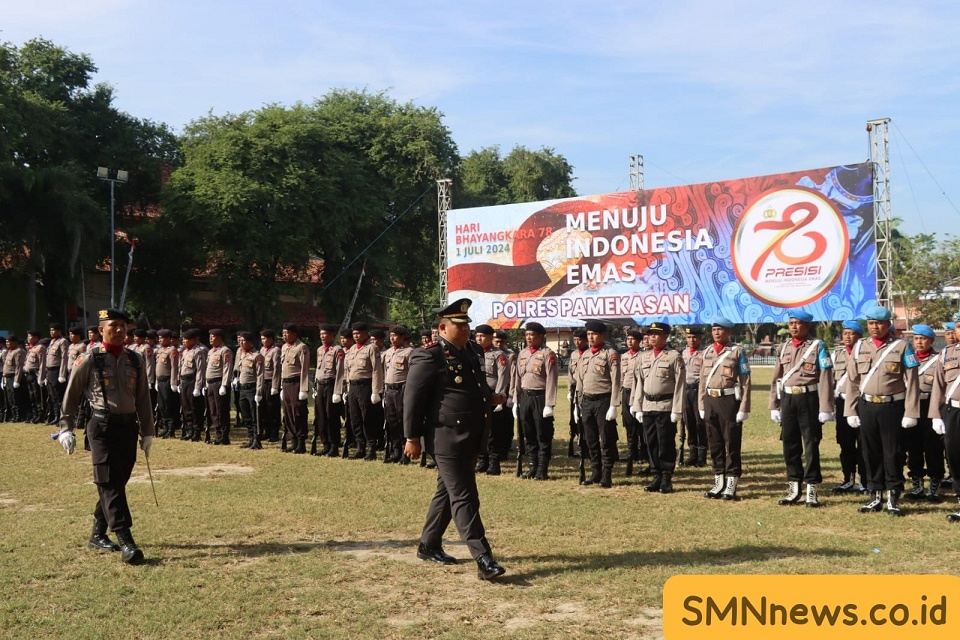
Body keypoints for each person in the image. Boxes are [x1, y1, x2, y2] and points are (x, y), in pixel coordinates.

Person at [403, 298, 505, 580]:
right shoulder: (430, 355)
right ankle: (483, 558)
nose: (465, 331)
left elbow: (474, 386)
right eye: (459, 327)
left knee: (447, 492)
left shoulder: (471, 349)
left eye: (467, 325)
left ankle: (429, 544)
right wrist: (412, 437)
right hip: (445, 437)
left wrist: (489, 397)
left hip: (471, 433)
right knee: (465, 496)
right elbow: (413, 400)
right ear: (443, 327)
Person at [56, 308, 155, 565]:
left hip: (127, 428)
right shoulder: (89, 359)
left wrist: (147, 432)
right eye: (114, 325)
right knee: (109, 481)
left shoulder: (135, 359)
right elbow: (72, 395)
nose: (120, 330)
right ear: (102, 330)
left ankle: (97, 534)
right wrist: (66, 428)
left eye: (123, 325)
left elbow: (143, 398)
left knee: (116, 481)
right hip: (102, 427)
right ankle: (126, 540)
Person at [844, 305, 920, 516]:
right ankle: (875, 494)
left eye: (879, 323)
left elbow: (913, 381)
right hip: (867, 406)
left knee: (893, 452)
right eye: (870, 323)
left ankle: (893, 495)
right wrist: (850, 410)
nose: (875, 327)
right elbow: (852, 381)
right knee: (870, 451)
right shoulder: (860, 346)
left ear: (888, 324)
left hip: (892, 406)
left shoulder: (902, 346)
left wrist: (911, 412)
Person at [768, 310, 835, 507]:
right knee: (789, 443)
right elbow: (776, 378)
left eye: (798, 323)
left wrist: (825, 407)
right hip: (788, 398)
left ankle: (811, 489)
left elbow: (826, 378)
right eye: (791, 323)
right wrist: (774, 405)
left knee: (811, 444)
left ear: (807, 326)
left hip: (809, 398)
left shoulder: (817, 346)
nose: (794, 327)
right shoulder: (783, 347)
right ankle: (794, 488)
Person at [699, 317, 751, 500]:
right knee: (715, 443)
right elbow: (702, 381)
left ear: (729, 331)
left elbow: (745, 381)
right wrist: (701, 404)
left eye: (721, 329)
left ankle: (731, 482)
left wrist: (744, 407)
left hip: (728, 400)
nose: (717, 332)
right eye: (714, 329)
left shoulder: (737, 352)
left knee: (732, 443)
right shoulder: (706, 352)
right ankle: (718, 480)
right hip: (710, 401)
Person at [631, 321, 685, 493]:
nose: (651, 337)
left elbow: (680, 385)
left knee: (665, 443)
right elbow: (639, 382)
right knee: (651, 442)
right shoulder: (643, 357)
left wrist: (677, 410)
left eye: (656, 334)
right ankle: (656, 475)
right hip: (647, 406)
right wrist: (637, 406)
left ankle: (667, 477)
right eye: (650, 334)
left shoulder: (673, 356)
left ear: (665, 336)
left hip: (665, 406)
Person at [575, 320, 622, 488]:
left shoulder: (610, 354)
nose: (591, 337)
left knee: (606, 438)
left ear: (602, 335)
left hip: (604, 400)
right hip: (587, 401)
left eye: (594, 334)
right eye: (588, 334)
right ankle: (595, 472)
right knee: (590, 439)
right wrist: (578, 403)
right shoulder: (585, 354)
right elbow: (580, 380)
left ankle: (607, 474)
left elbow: (616, 380)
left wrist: (614, 405)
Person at [511, 322, 558, 479]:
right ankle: (532, 466)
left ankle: (542, 469)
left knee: (542, 434)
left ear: (540, 336)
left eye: (532, 335)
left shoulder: (548, 354)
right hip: (525, 397)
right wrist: (516, 400)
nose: (529, 337)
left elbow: (552, 380)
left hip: (540, 398)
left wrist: (549, 404)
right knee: (528, 433)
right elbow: (517, 378)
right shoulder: (522, 354)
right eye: (527, 334)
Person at [904, 324, 944, 501]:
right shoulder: (907, 358)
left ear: (932, 341)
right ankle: (917, 484)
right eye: (916, 338)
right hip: (911, 405)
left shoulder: (939, 359)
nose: (919, 342)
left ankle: (934, 485)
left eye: (923, 338)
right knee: (913, 446)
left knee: (933, 446)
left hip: (930, 404)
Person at [831, 321, 867, 494]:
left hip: (861, 403)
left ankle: (865, 481)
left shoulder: (866, 353)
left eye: (851, 333)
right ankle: (848, 479)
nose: (847, 336)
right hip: (842, 402)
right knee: (845, 443)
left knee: (864, 444)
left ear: (859, 336)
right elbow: (830, 380)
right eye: (845, 333)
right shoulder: (836, 355)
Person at [930, 321, 960, 521]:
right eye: (959, 326)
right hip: (954, 411)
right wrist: (935, 415)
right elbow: (938, 387)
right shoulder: (946, 354)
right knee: (956, 457)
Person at [343, 322, 384, 461]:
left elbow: (377, 369)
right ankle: (360, 447)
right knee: (355, 418)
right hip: (353, 387)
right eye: (354, 334)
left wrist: (376, 391)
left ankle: (371, 448)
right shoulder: (352, 349)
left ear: (366, 334)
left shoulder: (371, 348)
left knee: (368, 418)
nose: (356, 336)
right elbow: (347, 370)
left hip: (365, 386)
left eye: (358, 333)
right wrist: (346, 389)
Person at [473, 324, 509, 475]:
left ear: (490, 338)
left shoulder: (498, 355)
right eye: (477, 336)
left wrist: (499, 396)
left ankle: (494, 462)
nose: (479, 339)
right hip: (477, 396)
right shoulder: (473, 353)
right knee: (480, 430)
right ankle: (482, 460)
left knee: (494, 430)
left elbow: (503, 376)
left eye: (482, 336)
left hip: (492, 395)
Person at [313, 324, 345, 457]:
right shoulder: (320, 350)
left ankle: (334, 446)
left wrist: (338, 391)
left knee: (332, 417)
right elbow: (317, 369)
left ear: (332, 335)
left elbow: (340, 373)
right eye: (321, 334)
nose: (322, 336)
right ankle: (325, 444)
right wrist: (315, 386)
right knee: (321, 417)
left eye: (325, 334)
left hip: (331, 386)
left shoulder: (338, 350)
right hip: (320, 386)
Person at [381, 325, 412, 463]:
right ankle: (396, 450)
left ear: (402, 337)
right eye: (391, 335)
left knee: (402, 421)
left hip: (402, 389)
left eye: (395, 336)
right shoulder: (387, 353)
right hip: (389, 390)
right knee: (391, 420)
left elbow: (412, 374)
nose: (392, 338)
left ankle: (406, 452)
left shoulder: (409, 352)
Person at [620, 329, 648, 474]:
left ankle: (644, 452)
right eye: (628, 339)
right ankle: (632, 452)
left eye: (633, 339)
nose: (630, 342)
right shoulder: (624, 356)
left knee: (641, 425)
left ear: (639, 341)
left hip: (638, 393)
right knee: (628, 423)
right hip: (626, 392)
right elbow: (620, 376)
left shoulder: (643, 356)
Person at [280, 323, 310, 454]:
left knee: (298, 412)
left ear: (294, 334)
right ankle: (293, 440)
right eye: (283, 333)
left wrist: (303, 389)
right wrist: (281, 386)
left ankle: (301, 442)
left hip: (296, 383)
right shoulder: (284, 348)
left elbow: (305, 369)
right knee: (288, 413)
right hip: (286, 384)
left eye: (287, 333)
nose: (284, 335)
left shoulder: (301, 347)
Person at [681, 327, 707, 467]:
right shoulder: (683, 353)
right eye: (689, 337)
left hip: (699, 391)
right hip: (686, 391)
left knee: (700, 423)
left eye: (695, 337)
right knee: (689, 422)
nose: (692, 340)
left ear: (700, 338)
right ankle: (692, 454)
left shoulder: (705, 353)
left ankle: (702, 455)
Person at [234, 332, 265, 449]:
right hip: (242, 389)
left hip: (252, 389)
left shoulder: (257, 356)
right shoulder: (242, 354)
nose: (241, 343)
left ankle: (257, 440)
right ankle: (250, 438)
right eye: (240, 340)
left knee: (254, 416)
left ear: (251, 342)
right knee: (246, 415)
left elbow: (260, 375)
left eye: (243, 340)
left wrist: (259, 392)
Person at [205, 329, 234, 445]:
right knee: (213, 410)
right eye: (210, 337)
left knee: (221, 409)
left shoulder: (225, 351)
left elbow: (227, 369)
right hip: (211, 383)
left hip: (219, 383)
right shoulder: (211, 351)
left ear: (220, 338)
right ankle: (217, 433)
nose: (210, 339)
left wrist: (224, 384)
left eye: (213, 337)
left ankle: (224, 435)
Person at [178, 329, 207, 442]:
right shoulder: (184, 352)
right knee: (186, 407)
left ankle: (197, 431)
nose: (184, 341)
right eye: (183, 339)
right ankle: (189, 430)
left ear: (193, 340)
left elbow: (200, 370)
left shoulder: (198, 352)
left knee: (195, 407)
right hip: (184, 381)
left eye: (186, 339)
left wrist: (198, 386)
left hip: (192, 380)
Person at [154, 329, 181, 439]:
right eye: (159, 338)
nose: (160, 340)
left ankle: (171, 428)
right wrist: (156, 381)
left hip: (167, 381)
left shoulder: (172, 350)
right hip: (160, 381)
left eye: (162, 338)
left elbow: (175, 367)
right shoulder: (160, 350)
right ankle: (165, 427)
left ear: (169, 339)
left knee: (168, 404)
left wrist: (173, 382)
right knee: (161, 405)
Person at [566, 328, 588, 458]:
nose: (577, 342)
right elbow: (570, 373)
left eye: (579, 339)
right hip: (575, 390)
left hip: (587, 389)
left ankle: (587, 446)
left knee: (586, 419)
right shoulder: (574, 354)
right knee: (574, 419)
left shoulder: (589, 353)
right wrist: (569, 390)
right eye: (575, 339)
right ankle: (578, 443)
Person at [259, 329, 282, 442]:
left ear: (271, 339)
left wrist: (275, 386)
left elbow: (277, 369)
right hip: (263, 382)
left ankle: (274, 433)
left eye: (265, 338)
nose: (263, 341)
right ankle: (266, 431)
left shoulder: (275, 350)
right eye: (262, 338)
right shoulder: (262, 350)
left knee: (272, 408)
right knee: (263, 408)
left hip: (271, 382)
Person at [46, 323, 68, 425]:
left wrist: (62, 374)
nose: (51, 332)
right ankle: (56, 416)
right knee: (52, 396)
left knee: (59, 396)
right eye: (50, 330)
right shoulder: (52, 342)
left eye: (54, 330)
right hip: (50, 371)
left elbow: (64, 358)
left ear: (59, 331)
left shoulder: (62, 341)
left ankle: (62, 418)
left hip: (57, 370)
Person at [23, 330, 45, 423]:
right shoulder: (31, 348)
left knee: (37, 396)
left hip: (35, 374)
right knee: (31, 396)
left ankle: (40, 415)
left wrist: (41, 377)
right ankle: (34, 414)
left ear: (36, 337)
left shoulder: (40, 348)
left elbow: (42, 363)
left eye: (30, 336)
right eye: (28, 336)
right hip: (28, 374)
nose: (28, 338)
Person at [2, 336, 26, 422]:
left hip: (13, 376)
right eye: (7, 342)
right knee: (10, 398)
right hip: (7, 377)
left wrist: (17, 380)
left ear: (15, 342)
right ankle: (13, 415)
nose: (8, 343)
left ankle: (18, 416)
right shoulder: (9, 352)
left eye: (10, 342)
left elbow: (18, 367)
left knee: (16, 397)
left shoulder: (18, 351)